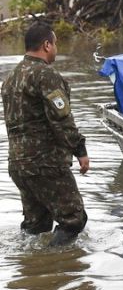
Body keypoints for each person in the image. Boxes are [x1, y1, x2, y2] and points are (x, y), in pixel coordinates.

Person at [1, 22, 90, 246]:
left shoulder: (10, 78)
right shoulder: (45, 75)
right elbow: (62, 120)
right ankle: (56, 268)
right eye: (56, 44)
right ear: (46, 45)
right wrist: (80, 150)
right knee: (74, 220)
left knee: (36, 225)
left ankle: (32, 272)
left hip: (19, 164)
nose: (56, 50)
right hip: (45, 163)